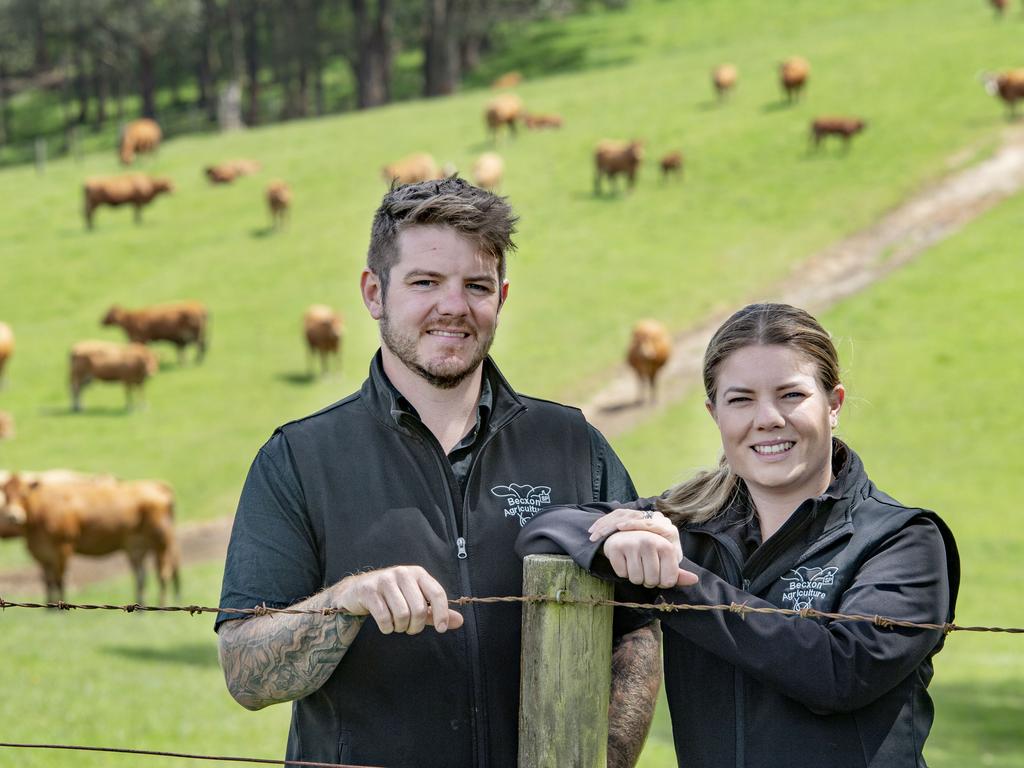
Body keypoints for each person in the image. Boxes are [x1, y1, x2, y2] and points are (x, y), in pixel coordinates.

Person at [215, 177, 661, 768]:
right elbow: (246, 675)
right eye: (425, 282)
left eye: (475, 286)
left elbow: (638, 628)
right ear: (374, 294)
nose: (453, 306)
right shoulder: (298, 459)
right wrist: (346, 600)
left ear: (500, 298)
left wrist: (603, 758)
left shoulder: (572, 444)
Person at [517, 303, 959, 768]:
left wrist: (675, 583)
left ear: (834, 405)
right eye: (741, 399)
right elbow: (542, 532)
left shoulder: (903, 540)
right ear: (715, 414)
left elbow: (839, 673)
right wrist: (613, 543)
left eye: (791, 395)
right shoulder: (689, 527)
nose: (767, 417)